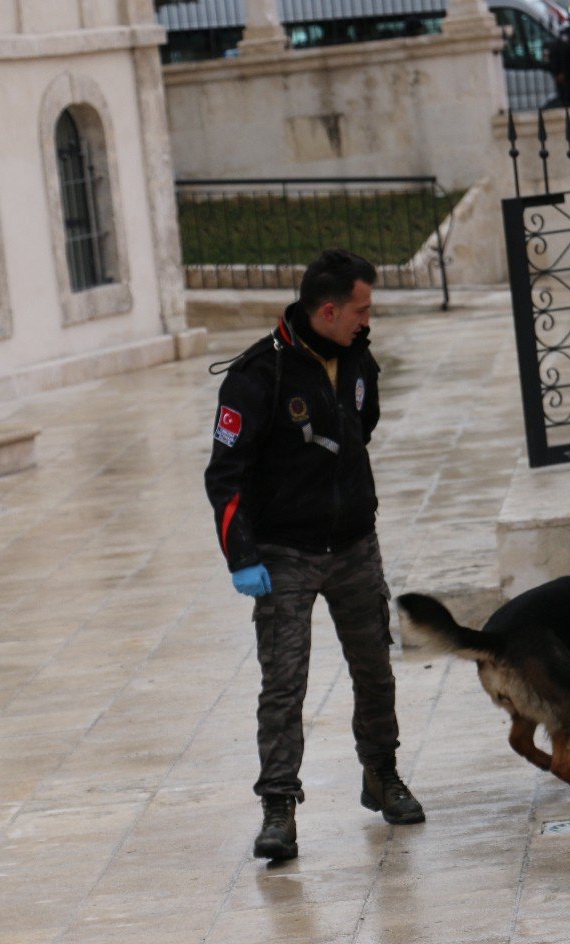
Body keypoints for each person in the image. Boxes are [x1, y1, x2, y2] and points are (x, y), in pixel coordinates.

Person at [204, 249, 424, 863]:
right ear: (327, 310)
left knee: (375, 670)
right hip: (284, 554)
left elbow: (363, 425)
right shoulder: (256, 376)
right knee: (285, 683)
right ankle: (279, 807)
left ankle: (382, 775)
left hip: (354, 544)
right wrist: (241, 555)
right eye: (360, 308)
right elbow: (225, 477)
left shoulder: (358, 356)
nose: (367, 319)